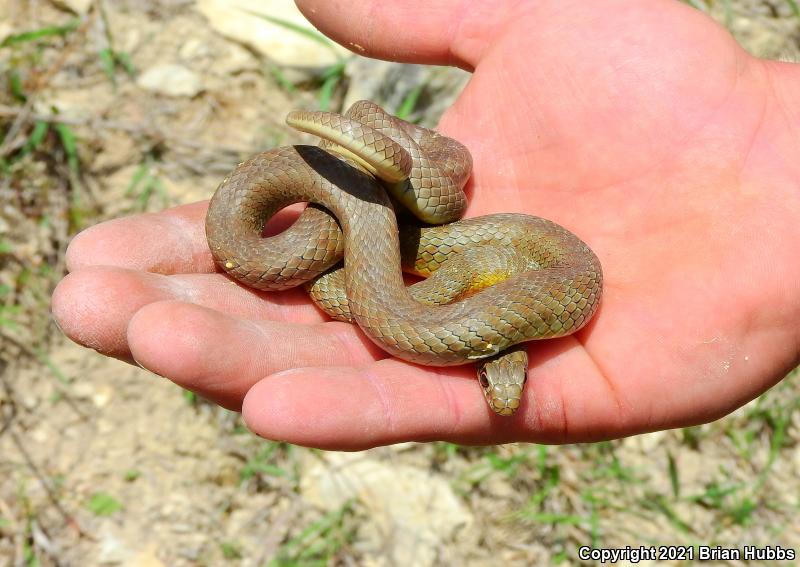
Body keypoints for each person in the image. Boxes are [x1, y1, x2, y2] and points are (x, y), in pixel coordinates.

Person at [51, 0, 800, 450]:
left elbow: (411, 262)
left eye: (485, 348)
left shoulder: (491, 260)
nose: (491, 363)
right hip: (415, 230)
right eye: (489, 348)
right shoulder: (473, 252)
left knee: (371, 254)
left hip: (427, 248)